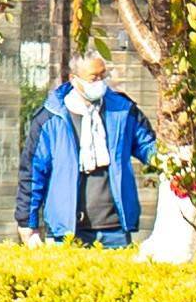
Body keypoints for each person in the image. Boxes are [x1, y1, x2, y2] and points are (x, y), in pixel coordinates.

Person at [20, 46, 152, 245]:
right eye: (93, 78)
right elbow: (32, 173)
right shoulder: (50, 118)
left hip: (114, 230)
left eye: (103, 76)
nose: (100, 83)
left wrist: (174, 161)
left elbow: (149, 146)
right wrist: (27, 223)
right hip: (66, 230)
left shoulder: (123, 111)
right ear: (74, 79)